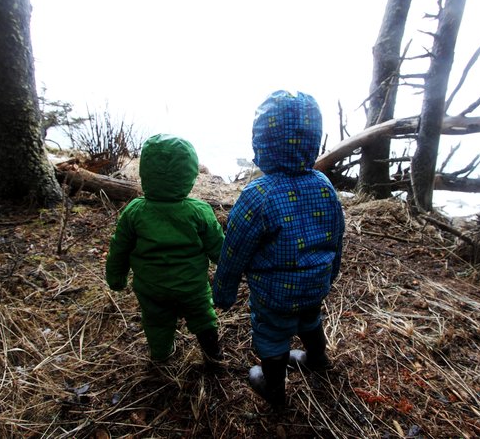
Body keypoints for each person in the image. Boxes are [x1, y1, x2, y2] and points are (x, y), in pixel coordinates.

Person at [212, 90, 345, 410]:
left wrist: (224, 291)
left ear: (262, 142)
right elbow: (336, 235)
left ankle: (273, 387)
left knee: (272, 335)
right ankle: (317, 358)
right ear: (314, 139)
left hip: (274, 294)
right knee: (311, 319)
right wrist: (331, 273)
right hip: (316, 285)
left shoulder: (258, 194)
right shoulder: (323, 184)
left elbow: (234, 250)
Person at [106, 134, 225, 366]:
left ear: (145, 173)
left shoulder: (134, 211)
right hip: (192, 287)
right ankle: (214, 356)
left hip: (152, 288)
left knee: (156, 322)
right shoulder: (199, 211)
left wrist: (116, 278)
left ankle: (161, 357)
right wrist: (231, 270)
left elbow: (118, 248)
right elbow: (219, 248)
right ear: (189, 174)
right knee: (203, 317)